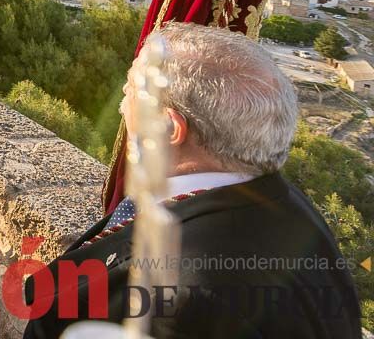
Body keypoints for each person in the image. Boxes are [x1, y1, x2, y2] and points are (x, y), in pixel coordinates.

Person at [23, 22, 361, 338]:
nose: (123, 100)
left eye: (131, 86)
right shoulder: (285, 206)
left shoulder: (187, 300)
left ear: (170, 128)